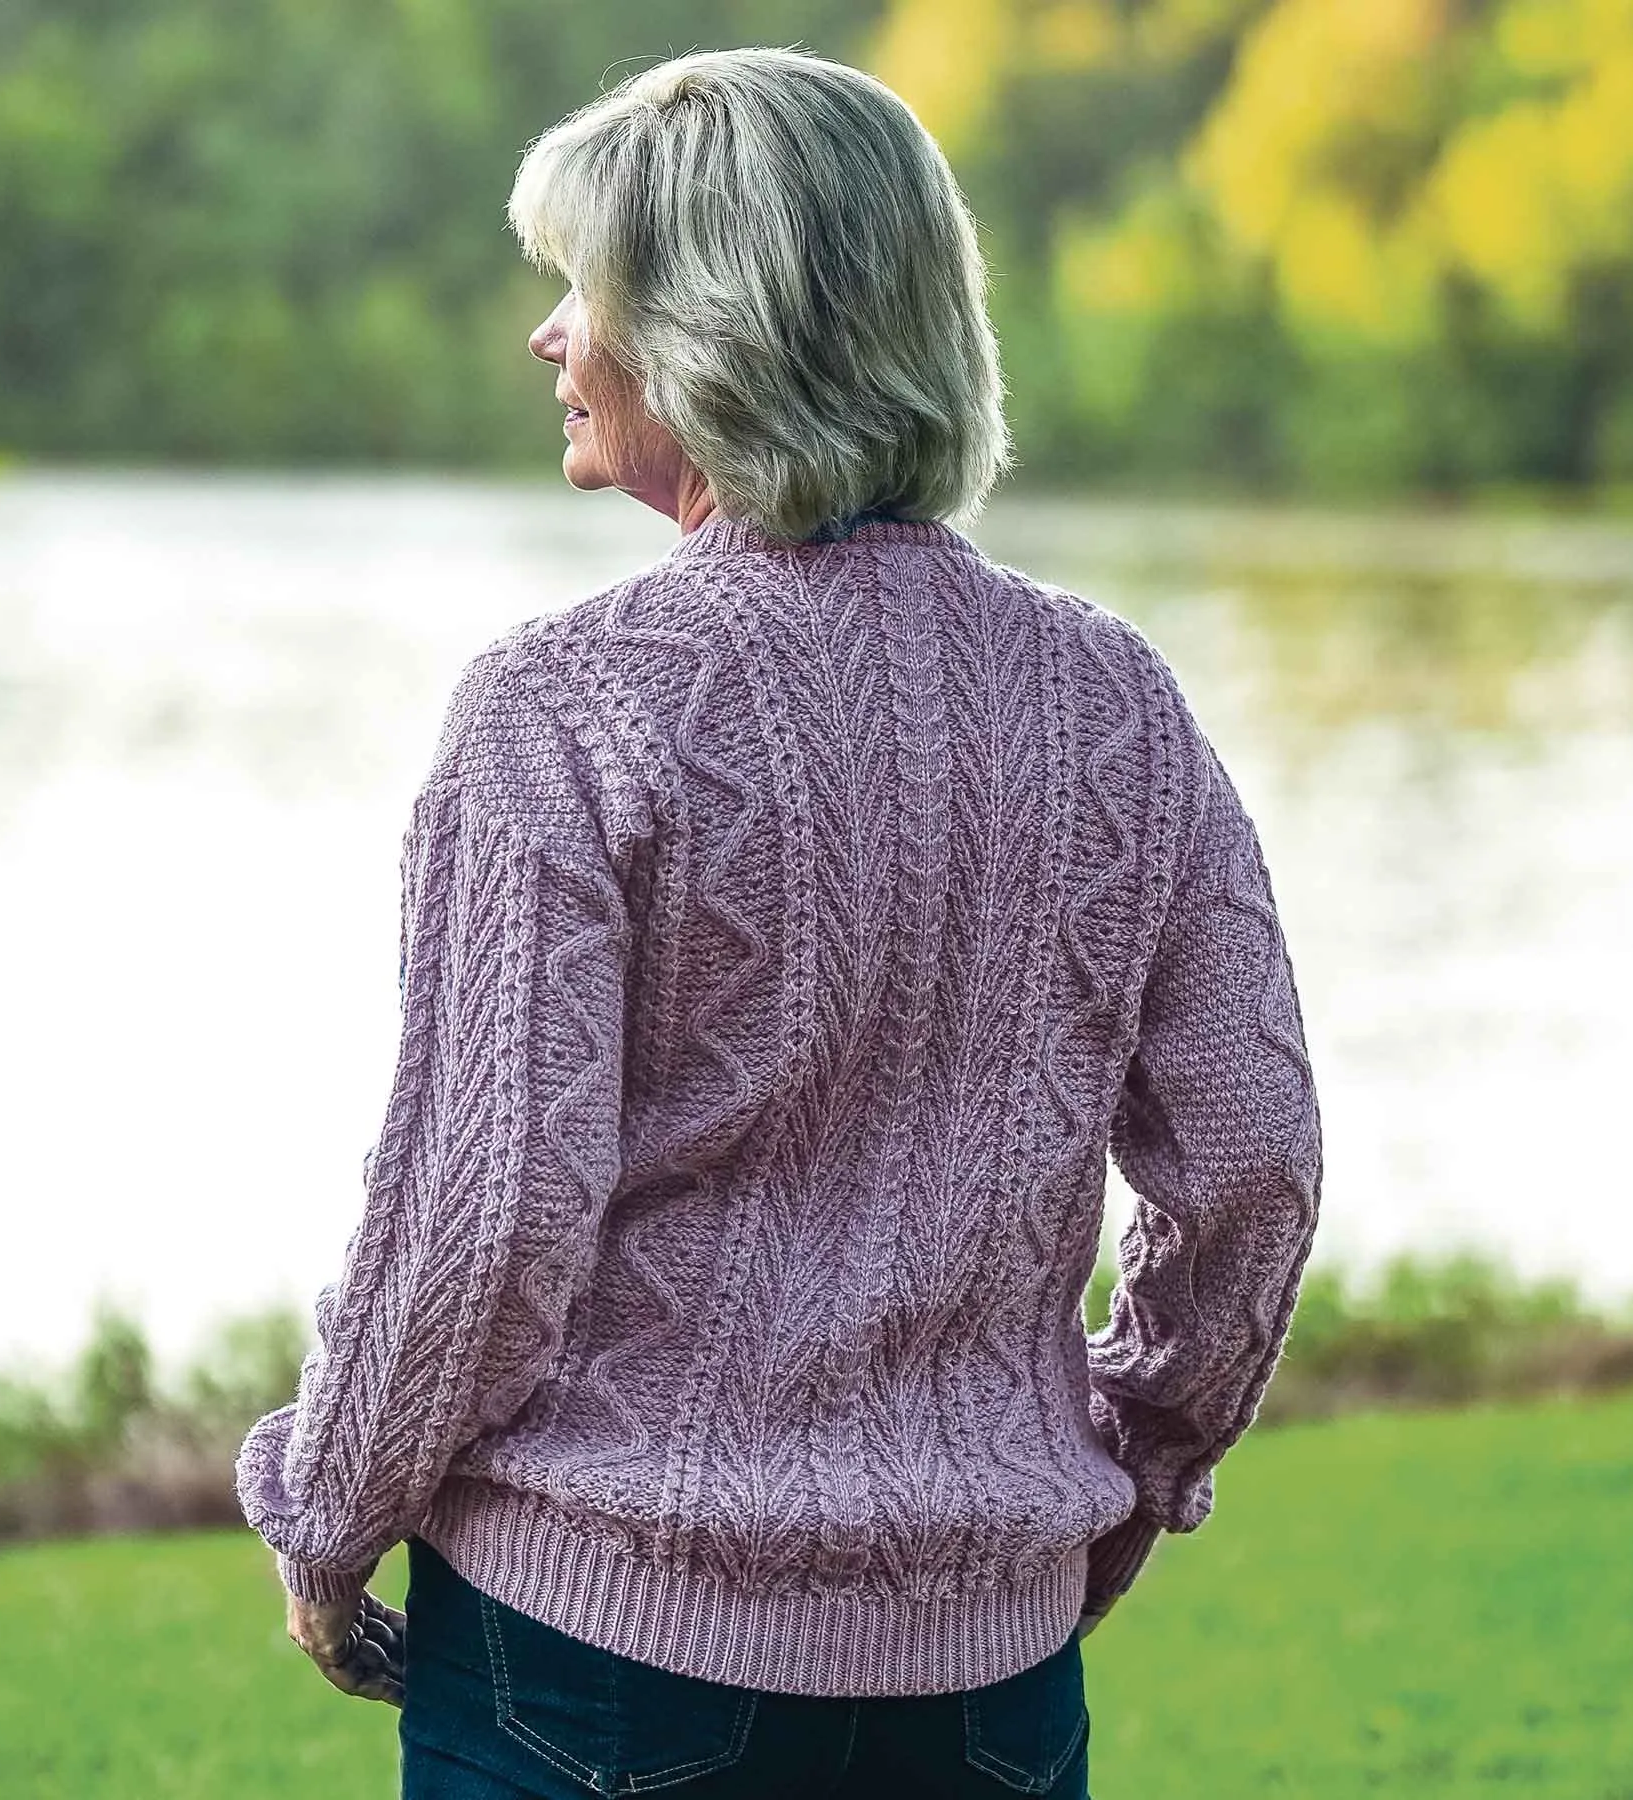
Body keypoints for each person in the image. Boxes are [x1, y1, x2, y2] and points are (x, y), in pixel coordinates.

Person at [235, 43, 1323, 1800]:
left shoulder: (567, 710)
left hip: (587, 1667)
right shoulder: (1116, 702)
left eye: (583, 292)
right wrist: (1128, 1461)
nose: (550, 338)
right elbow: (1255, 1158)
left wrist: (332, 1506)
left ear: (702, 330)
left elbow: (484, 1214)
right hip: (989, 1681)